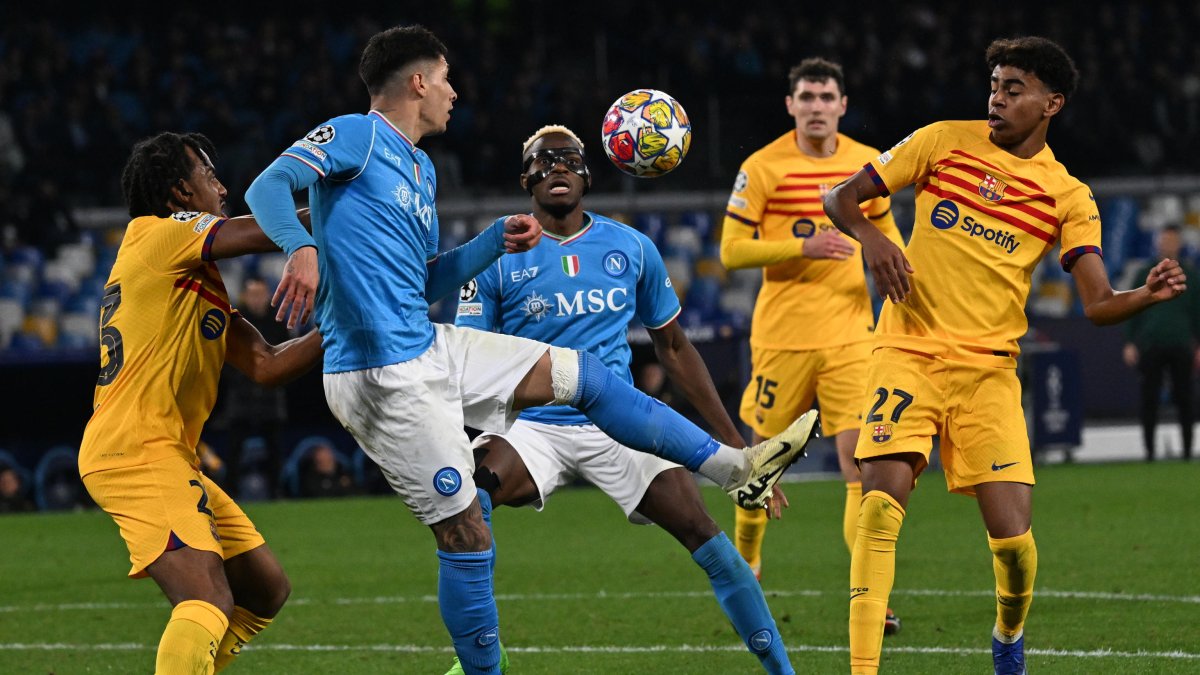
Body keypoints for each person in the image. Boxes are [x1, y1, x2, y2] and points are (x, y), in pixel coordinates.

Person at [245, 24, 814, 675]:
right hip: (385, 374)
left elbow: (419, 282)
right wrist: (302, 247)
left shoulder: (421, 170)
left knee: (585, 373)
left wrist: (489, 242)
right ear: (419, 81)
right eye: (448, 78)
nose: (456, 93)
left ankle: (739, 466)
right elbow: (266, 188)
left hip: (426, 346)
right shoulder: (356, 133)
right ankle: (483, 665)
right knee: (466, 532)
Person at [823, 37, 1188, 675]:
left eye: (1013, 88)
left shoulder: (1066, 196)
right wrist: (875, 238)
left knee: (1015, 545)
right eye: (994, 84)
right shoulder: (940, 140)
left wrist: (1146, 295)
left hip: (988, 370)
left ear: (1052, 103)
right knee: (881, 503)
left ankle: (1008, 637)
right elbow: (840, 198)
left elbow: (1097, 304)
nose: (996, 97)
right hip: (906, 348)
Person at [451, 125, 797, 674]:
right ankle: (479, 659)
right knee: (468, 502)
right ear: (526, 180)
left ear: (587, 175)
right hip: (533, 426)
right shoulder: (496, 256)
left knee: (704, 533)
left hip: (619, 421)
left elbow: (676, 349)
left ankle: (783, 670)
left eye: (568, 159)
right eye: (543, 161)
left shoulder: (631, 247)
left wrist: (738, 446)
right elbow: (468, 358)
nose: (556, 168)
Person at [78, 132, 323, 674]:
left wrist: (344, 325)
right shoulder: (160, 235)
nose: (223, 186)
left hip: (163, 452)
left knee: (263, 590)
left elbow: (267, 365)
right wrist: (352, 208)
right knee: (207, 600)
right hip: (135, 449)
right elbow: (265, 231)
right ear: (176, 195)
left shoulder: (191, 278)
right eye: (208, 175)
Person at [720, 57, 903, 632]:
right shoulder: (764, 165)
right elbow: (730, 252)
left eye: (827, 97)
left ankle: (869, 593)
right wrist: (801, 248)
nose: (817, 106)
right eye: (807, 97)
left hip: (853, 336)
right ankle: (747, 564)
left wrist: (906, 278)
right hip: (783, 338)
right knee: (762, 464)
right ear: (791, 105)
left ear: (842, 105)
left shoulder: (864, 165)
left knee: (861, 463)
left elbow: (888, 235)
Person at [1123, 224, 1200, 461]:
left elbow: (1197, 312)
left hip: (1181, 344)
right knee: (1149, 398)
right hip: (1151, 343)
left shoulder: (1191, 275)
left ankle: (1188, 451)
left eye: (1172, 240)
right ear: (1157, 243)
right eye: (1164, 240)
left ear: (1179, 244)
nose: (1168, 244)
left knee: (1185, 398)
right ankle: (1149, 451)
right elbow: (1130, 307)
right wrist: (1129, 342)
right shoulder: (1143, 273)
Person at [216, 276, 293, 496]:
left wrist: (272, 378)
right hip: (242, 393)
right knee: (234, 447)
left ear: (268, 295)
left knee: (275, 448)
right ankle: (229, 493)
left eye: (260, 293)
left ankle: (277, 492)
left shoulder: (278, 320)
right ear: (245, 296)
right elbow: (225, 357)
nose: (257, 298)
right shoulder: (235, 320)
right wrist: (247, 378)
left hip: (271, 393)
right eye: (252, 294)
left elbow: (287, 354)